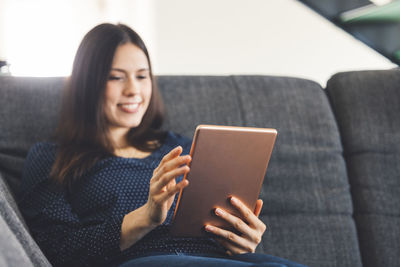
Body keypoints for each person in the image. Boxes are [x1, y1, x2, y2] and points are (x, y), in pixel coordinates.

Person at [18, 23, 307, 267]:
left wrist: (241, 241)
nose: (134, 90)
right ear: (87, 83)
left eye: (142, 76)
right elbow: (56, 249)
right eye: (116, 77)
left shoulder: (186, 149)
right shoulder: (51, 158)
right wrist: (145, 217)